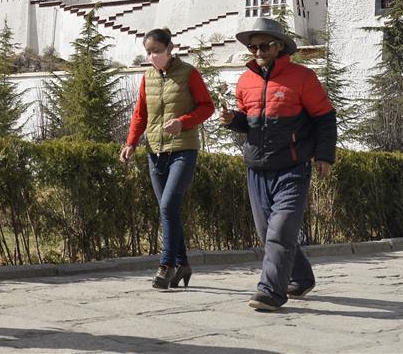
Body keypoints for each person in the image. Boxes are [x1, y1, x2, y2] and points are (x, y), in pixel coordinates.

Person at [219, 17, 336, 311]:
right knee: (268, 233)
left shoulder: (303, 77)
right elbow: (251, 125)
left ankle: (270, 291)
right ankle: (302, 277)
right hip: (256, 169)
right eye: (253, 47)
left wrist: (324, 156)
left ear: (279, 46)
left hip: (293, 167)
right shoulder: (245, 81)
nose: (257, 51)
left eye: (264, 46)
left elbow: (325, 117)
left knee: (280, 230)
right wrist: (234, 120)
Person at [119, 28, 215, 290]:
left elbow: (207, 106)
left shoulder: (188, 73)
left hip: (183, 148)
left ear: (170, 48)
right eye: (149, 53)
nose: (153, 57)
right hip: (155, 151)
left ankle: (166, 265)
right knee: (168, 210)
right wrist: (130, 143)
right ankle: (183, 263)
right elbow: (140, 114)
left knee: (168, 204)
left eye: (157, 51)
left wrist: (183, 122)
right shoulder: (147, 77)